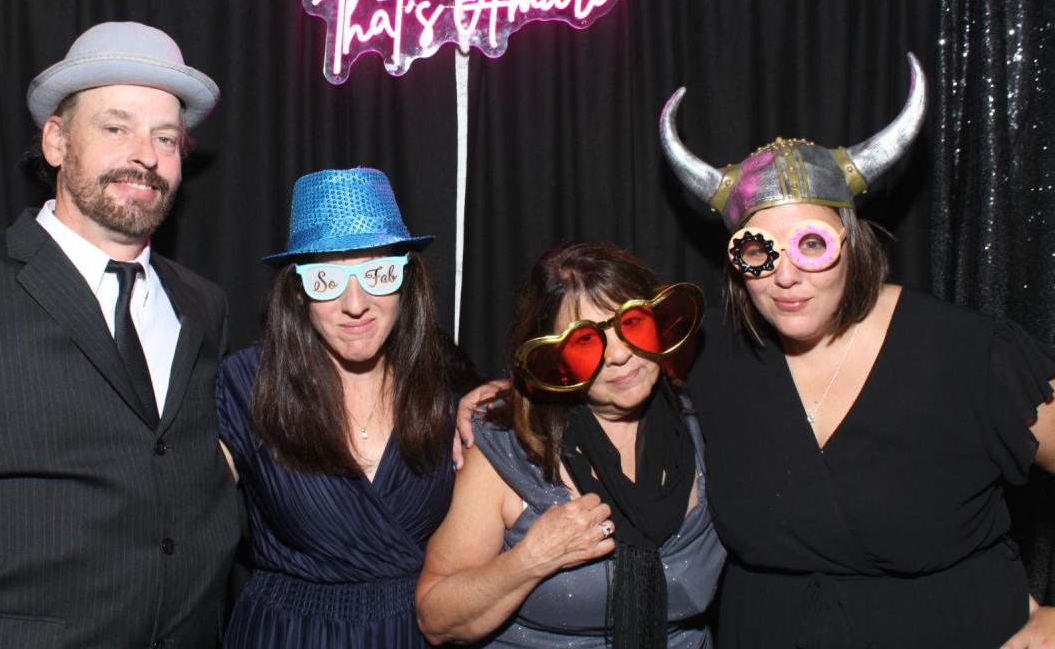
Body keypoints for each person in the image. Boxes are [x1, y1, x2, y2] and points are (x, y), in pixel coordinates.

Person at [0, 21, 239, 647]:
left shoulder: (202, 305)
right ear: (57, 141)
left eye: (165, 137)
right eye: (115, 128)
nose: (145, 155)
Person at [656, 53, 1055, 648]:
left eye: (811, 244)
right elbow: (615, 406)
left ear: (853, 240)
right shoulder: (709, 359)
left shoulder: (968, 353)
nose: (785, 276)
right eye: (759, 251)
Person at [419, 240, 725, 648]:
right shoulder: (508, 447)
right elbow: (435, 618)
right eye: (585, 341)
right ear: (555, 357)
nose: (619, 354)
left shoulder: (704, 426)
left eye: (632, 322)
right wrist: (529, 560)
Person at [217, 167, 456, 647]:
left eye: (377, 274)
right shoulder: (247, 384)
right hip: (287, 634)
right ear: (298, 291)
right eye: (326, 278)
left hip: (409, 632)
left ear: (407, 280)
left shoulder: (442, 389)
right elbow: (174, 523)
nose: (355, 303)